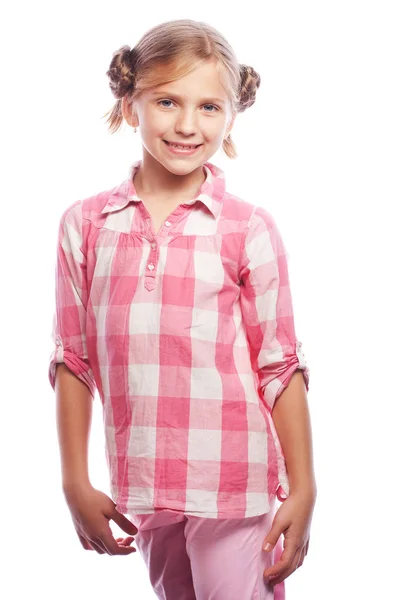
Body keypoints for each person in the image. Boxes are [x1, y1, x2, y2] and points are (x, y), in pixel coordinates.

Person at [48, 18, 317, 600]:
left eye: (210, 107)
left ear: (232, 114)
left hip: (233, 482)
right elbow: (74, 360)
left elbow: (280, 365)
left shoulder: (247, 228)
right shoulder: (86, 226)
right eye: (167, 101)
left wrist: (304, 486)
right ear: (129, 104)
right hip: (144, 484)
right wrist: (75, 480)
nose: (188, 125)